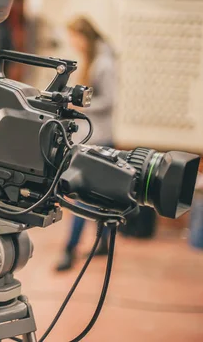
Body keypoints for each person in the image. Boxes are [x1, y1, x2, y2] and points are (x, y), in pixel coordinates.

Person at [56, 16, 116, 272]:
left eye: (75, 37)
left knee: (81, 197)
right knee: (101, 198)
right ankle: (104, 243)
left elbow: (110, 100)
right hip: (89, 138)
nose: (73, 43)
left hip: (99, 140)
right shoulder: (93, 59)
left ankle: (69, 250)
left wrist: (78, 104)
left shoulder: (105, 62)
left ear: (86, 36)